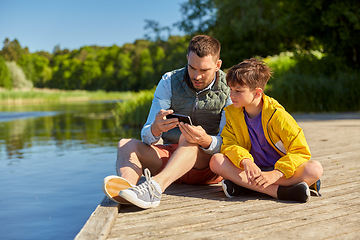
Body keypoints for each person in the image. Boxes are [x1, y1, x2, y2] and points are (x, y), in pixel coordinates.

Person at [102, 35, 231, 209]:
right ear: (187, 59)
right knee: (126, 144)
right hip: (171, 160)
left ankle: (154, 189)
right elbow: (146, 136)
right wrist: (155, 130)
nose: (197, 76)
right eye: (192, 68)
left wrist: (205, 140)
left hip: (206, 166)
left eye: (204, 70)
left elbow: (230, 143)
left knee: (189, 140)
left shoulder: (230, 89)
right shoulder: (169, 81)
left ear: (218, 65)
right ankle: (127, 190)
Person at [209, 58, 323, 203]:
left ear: (257, 93)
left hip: (281, 173)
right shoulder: (232, 114)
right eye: (231, 89)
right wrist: (245, 161)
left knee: (314, 169)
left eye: (238, 91)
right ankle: (278, 192)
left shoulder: (279, 116)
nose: (232, 95)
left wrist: (276, 173)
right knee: (216, 161)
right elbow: (229, 144)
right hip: (252, 170)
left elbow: (300, 151)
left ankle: (246, 187)